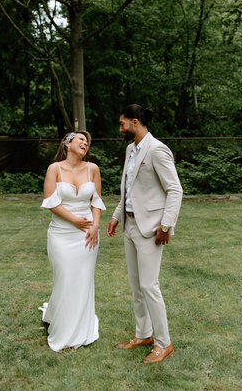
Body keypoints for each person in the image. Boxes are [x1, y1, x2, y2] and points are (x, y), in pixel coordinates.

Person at [106, 104, 183, 364]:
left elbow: (175, 190)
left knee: (150, 286)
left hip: (151, 229)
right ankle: (143, 335)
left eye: (122, 123)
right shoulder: (130, 150)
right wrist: (117, 217)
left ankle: (164, 343)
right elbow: (130, 189)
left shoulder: (158, 149)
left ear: (135, 122)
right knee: (136, 285)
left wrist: (165, 226)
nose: (121, 128)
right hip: (129, 226)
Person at [39, 130, 105, 352]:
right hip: (61, 233)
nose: (85, 143)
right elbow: (50, 202)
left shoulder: (93, 169)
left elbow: (96, 201)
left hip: (87, 234)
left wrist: (95, 225)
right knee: (65, 278)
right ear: (67, 144)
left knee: (83, 280)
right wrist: (75, 220)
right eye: (81, 140)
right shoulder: (54, 169)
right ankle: (62, 328)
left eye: (87, 141)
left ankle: (79, 328)